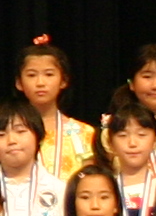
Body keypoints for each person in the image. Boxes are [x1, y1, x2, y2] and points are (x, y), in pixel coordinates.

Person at [13, 40, 99, 188]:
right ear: (19, 83)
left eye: (49, 74)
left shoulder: (84, 133)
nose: (40, 82)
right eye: (32, 75)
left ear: (63, 81)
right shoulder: (9, 132)